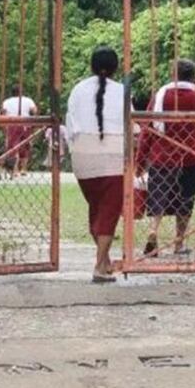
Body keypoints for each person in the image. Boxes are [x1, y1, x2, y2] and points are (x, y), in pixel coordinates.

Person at [135, 59, 195, 257]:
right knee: (186, 200)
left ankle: (153, 230)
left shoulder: (160, 97)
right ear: (193, 75)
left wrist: (140, 161)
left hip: (162, 157)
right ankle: (179, 242)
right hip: (190, 155)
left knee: (157, 197)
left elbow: (148, 130)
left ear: (173, 74)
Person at [65, 46, 126, 283]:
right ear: (115, 68)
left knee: (97, 208)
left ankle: (105, 261)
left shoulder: (78, 90)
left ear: (92, 66)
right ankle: (99, 267)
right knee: (109, 212)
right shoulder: (121, 91)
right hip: (113, 154)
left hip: (82, 155)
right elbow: (131, 125)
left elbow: (70, 124)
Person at [0, 86, 39, 178]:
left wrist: (4, 126)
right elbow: (34, 110)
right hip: (25, 123)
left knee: (13, 147)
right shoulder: (28, 100)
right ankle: (24, 169)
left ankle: (15, 170)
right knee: (25, 146)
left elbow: (3, 113)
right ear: (21, 92)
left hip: (12, 124)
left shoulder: (7, 101)